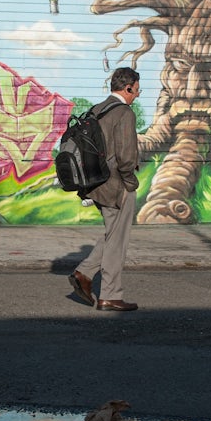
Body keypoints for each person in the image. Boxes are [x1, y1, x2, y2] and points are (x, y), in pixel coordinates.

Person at [68, 67, 141, 312]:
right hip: (116, 185)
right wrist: (130, 183)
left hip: (96, 184)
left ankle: (84, 274)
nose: (137, 94)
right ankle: (110, 295)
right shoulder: (124, 113)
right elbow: (126, 155)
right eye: (137, 89)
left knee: (113, 235)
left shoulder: (97, 109)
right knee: (117, 241)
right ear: (128, 86)